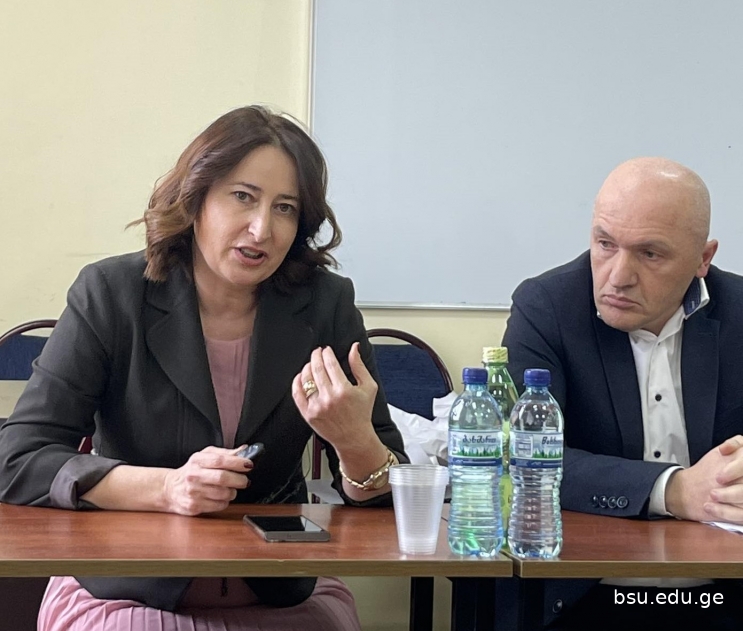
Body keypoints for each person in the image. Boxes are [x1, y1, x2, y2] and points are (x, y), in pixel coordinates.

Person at [0, 105, 406, 631]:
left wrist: (355, 442)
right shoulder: (110, 295)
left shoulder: (326, 304)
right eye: (243, 197)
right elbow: (18, 458)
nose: (261, 228)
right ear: (196, 199)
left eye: (285, 208)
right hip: (127, 590)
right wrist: (165, 488)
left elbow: (392, 498)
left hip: (283, 592)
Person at [503, 157, 743, 631]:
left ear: (703, 258)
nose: (618, 275)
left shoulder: (739, 314)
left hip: (722, 592)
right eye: (605, 244)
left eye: (650, 254)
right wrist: (675, 490)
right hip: (585, 594)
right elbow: (523, 456)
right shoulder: (547, 307)